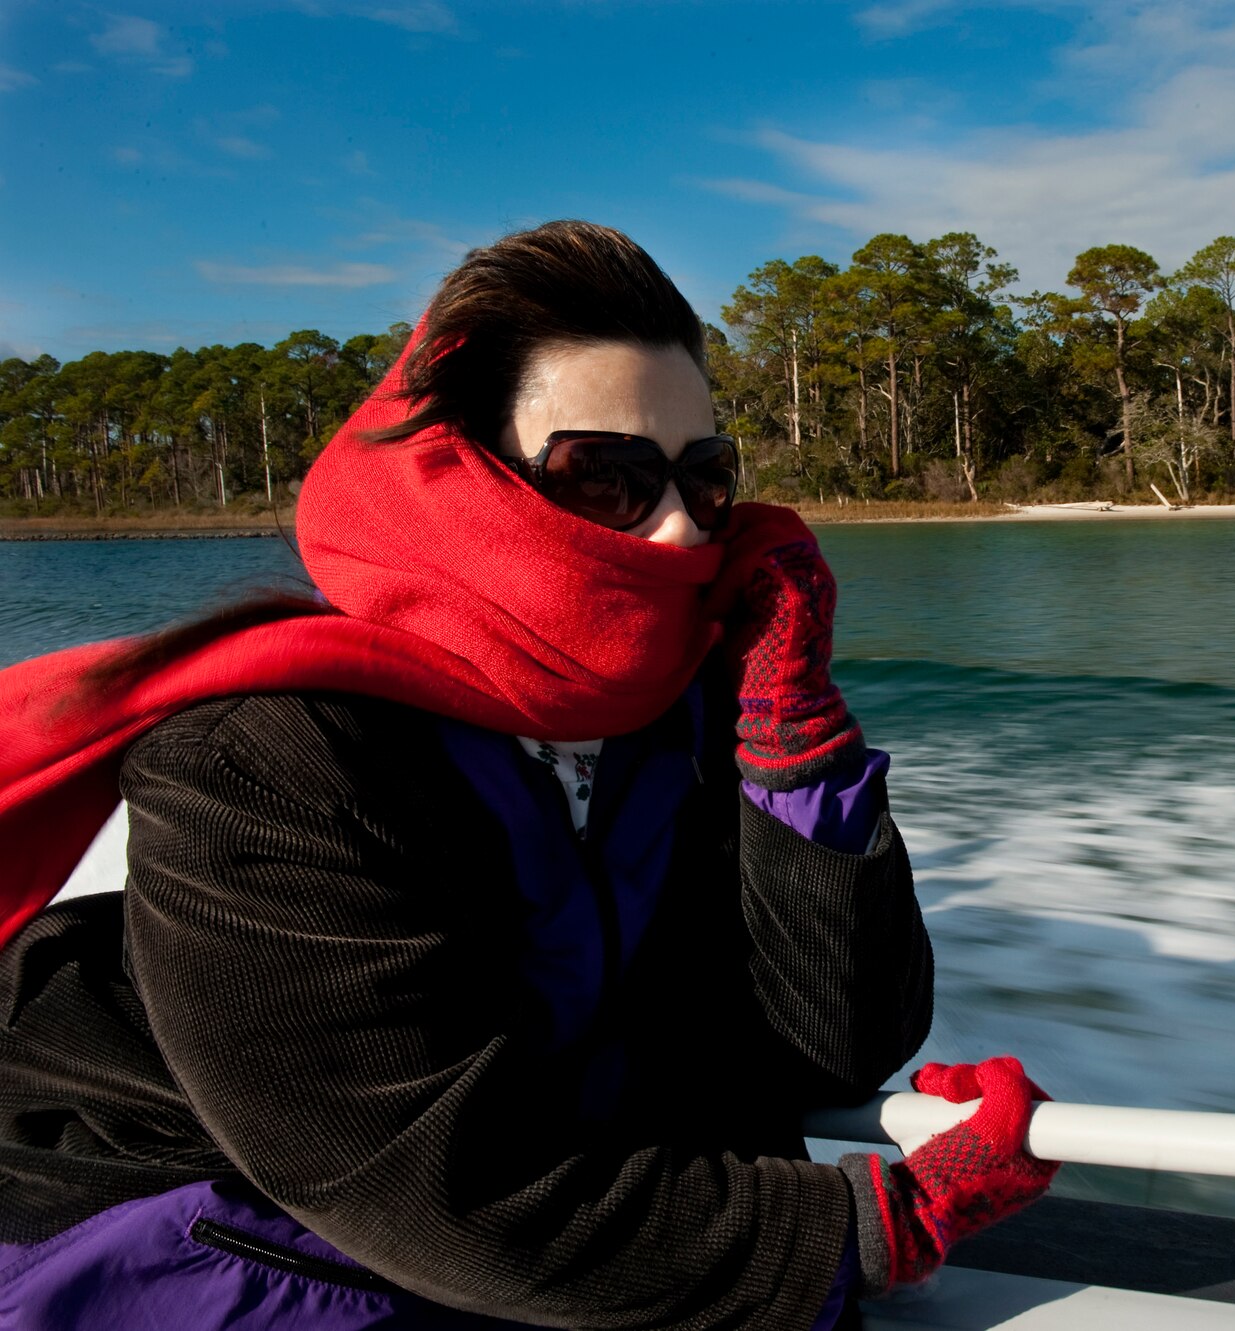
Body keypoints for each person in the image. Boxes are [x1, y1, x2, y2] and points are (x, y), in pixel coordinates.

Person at [0, 220, 1056, 1329]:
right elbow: (407, 1172)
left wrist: (791, 744)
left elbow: (832, 1042)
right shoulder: (268, 755)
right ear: (465, 482)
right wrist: (862, 1225)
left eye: (706, 480)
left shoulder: (684, 713)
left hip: (538, 1218)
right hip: (209, 1233)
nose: (673, 533)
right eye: (607, 477)